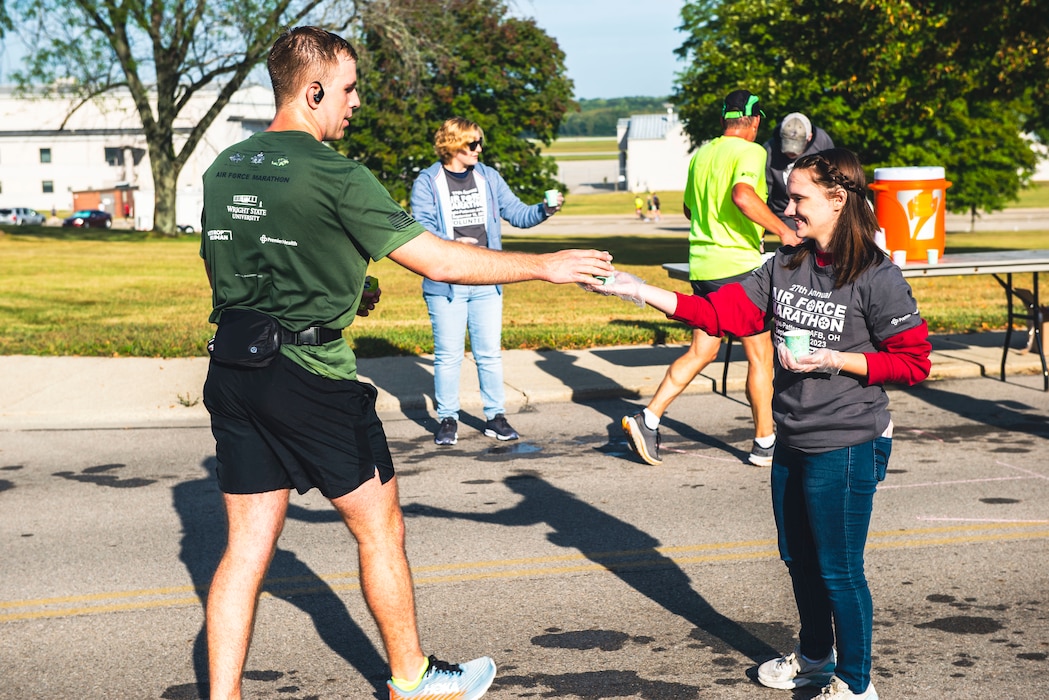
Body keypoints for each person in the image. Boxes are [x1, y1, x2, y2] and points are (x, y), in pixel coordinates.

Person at [199, 26, 613, 700]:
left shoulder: (227, 166)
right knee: (380, 527)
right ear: (312, 90)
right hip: (310, 377)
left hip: (234, 370)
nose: (356, 102)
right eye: (350, 88)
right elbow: (438, 258)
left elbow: (237, 261)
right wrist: (545, 265)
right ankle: (413, 677)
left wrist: (341, 284)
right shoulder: (337, 173)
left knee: (245, 547)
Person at [587, 148, 932, 700]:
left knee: (839, 570)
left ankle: (856, 683)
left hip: (846, 443)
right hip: (792, 438)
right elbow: (718, 314)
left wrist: (834, 359)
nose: (787, 209)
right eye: (787, 198)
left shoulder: (875, 274)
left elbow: (915, 362)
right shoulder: (784, 265)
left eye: (799, 199)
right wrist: (635, 288)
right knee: (797, 559)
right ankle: (818, 657)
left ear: (838, 199)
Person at [620, 89, 797, 468]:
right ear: (754, 121)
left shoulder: (703, 153)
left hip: (702, 268)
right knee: (760, 355)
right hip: (739, 270)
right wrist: (784, 231)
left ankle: (648, 419)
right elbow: (743, 195)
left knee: (703, 350)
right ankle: (765, 443)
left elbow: (688, 207)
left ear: (723, 119)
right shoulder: (752, 152)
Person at [410, 117, 563, 446]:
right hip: (447, 284)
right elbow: (420, 230)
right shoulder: (427, 181)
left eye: (480, 142)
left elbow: (518, 214)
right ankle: (448, 418)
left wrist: (545, 210)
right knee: (448, 355)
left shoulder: (488, 177)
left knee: (489, 354)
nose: (479, 149)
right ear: (453, 144)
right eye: (472, 143)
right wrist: (452, 247)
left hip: (486, 282)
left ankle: (496, 416)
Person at [764, 112, 835, 230]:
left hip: (818, 209)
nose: (791, 151)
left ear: (809, 137)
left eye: (797, 145)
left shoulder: (822, 141)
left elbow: (834, 174)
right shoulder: (769, 151)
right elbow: (765, 193)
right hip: (785, 213)